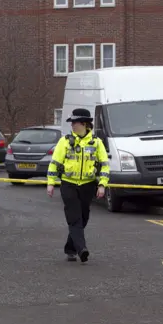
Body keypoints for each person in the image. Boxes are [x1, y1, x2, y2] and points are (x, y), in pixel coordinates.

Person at [47, 108, 109, 263]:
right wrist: (50, 183)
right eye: (72, 122)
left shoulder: (96, 142)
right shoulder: (65, 141)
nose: (73, 125)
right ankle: (82, 249)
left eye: (75, 122)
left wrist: (102, 185)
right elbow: (55, 163)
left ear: (85, 124)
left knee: (83, 217)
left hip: (87, 185)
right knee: (74, 218)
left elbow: (104, 165)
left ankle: (70, 248)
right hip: (69, 184)